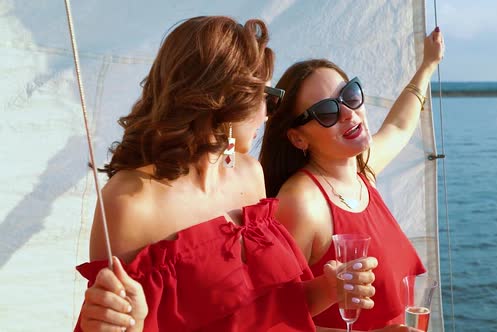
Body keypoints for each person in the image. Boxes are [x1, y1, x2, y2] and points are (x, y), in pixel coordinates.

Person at [74, 16, 380, 332]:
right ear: (225, 99)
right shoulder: (129, 202)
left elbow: (272, 308)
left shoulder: (249, 174)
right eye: (266, 95)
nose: (266, 112)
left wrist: (329, 289)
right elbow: (110, 323)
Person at [259, 28, 444, 331]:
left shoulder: (360, 173)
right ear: (297, 137)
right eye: (326, 112)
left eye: (350, 95)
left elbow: (399, 125)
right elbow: (270, 321)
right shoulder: (302, 202)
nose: (348, 112)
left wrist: (427, 65)